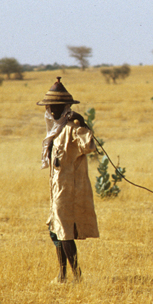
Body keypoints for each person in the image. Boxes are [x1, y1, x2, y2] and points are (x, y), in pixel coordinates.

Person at [37, 77, 99, 283]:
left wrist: (83, 124)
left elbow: (89, 147)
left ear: (66, 107)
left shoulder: (73, 128)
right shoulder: (55, 131)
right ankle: (62, 275)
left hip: (69, 189)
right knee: (54, 230)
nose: (51, 110)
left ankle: (76, 277)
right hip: (57, 188)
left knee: (64, 231)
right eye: (49, 107)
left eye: (56, 106)